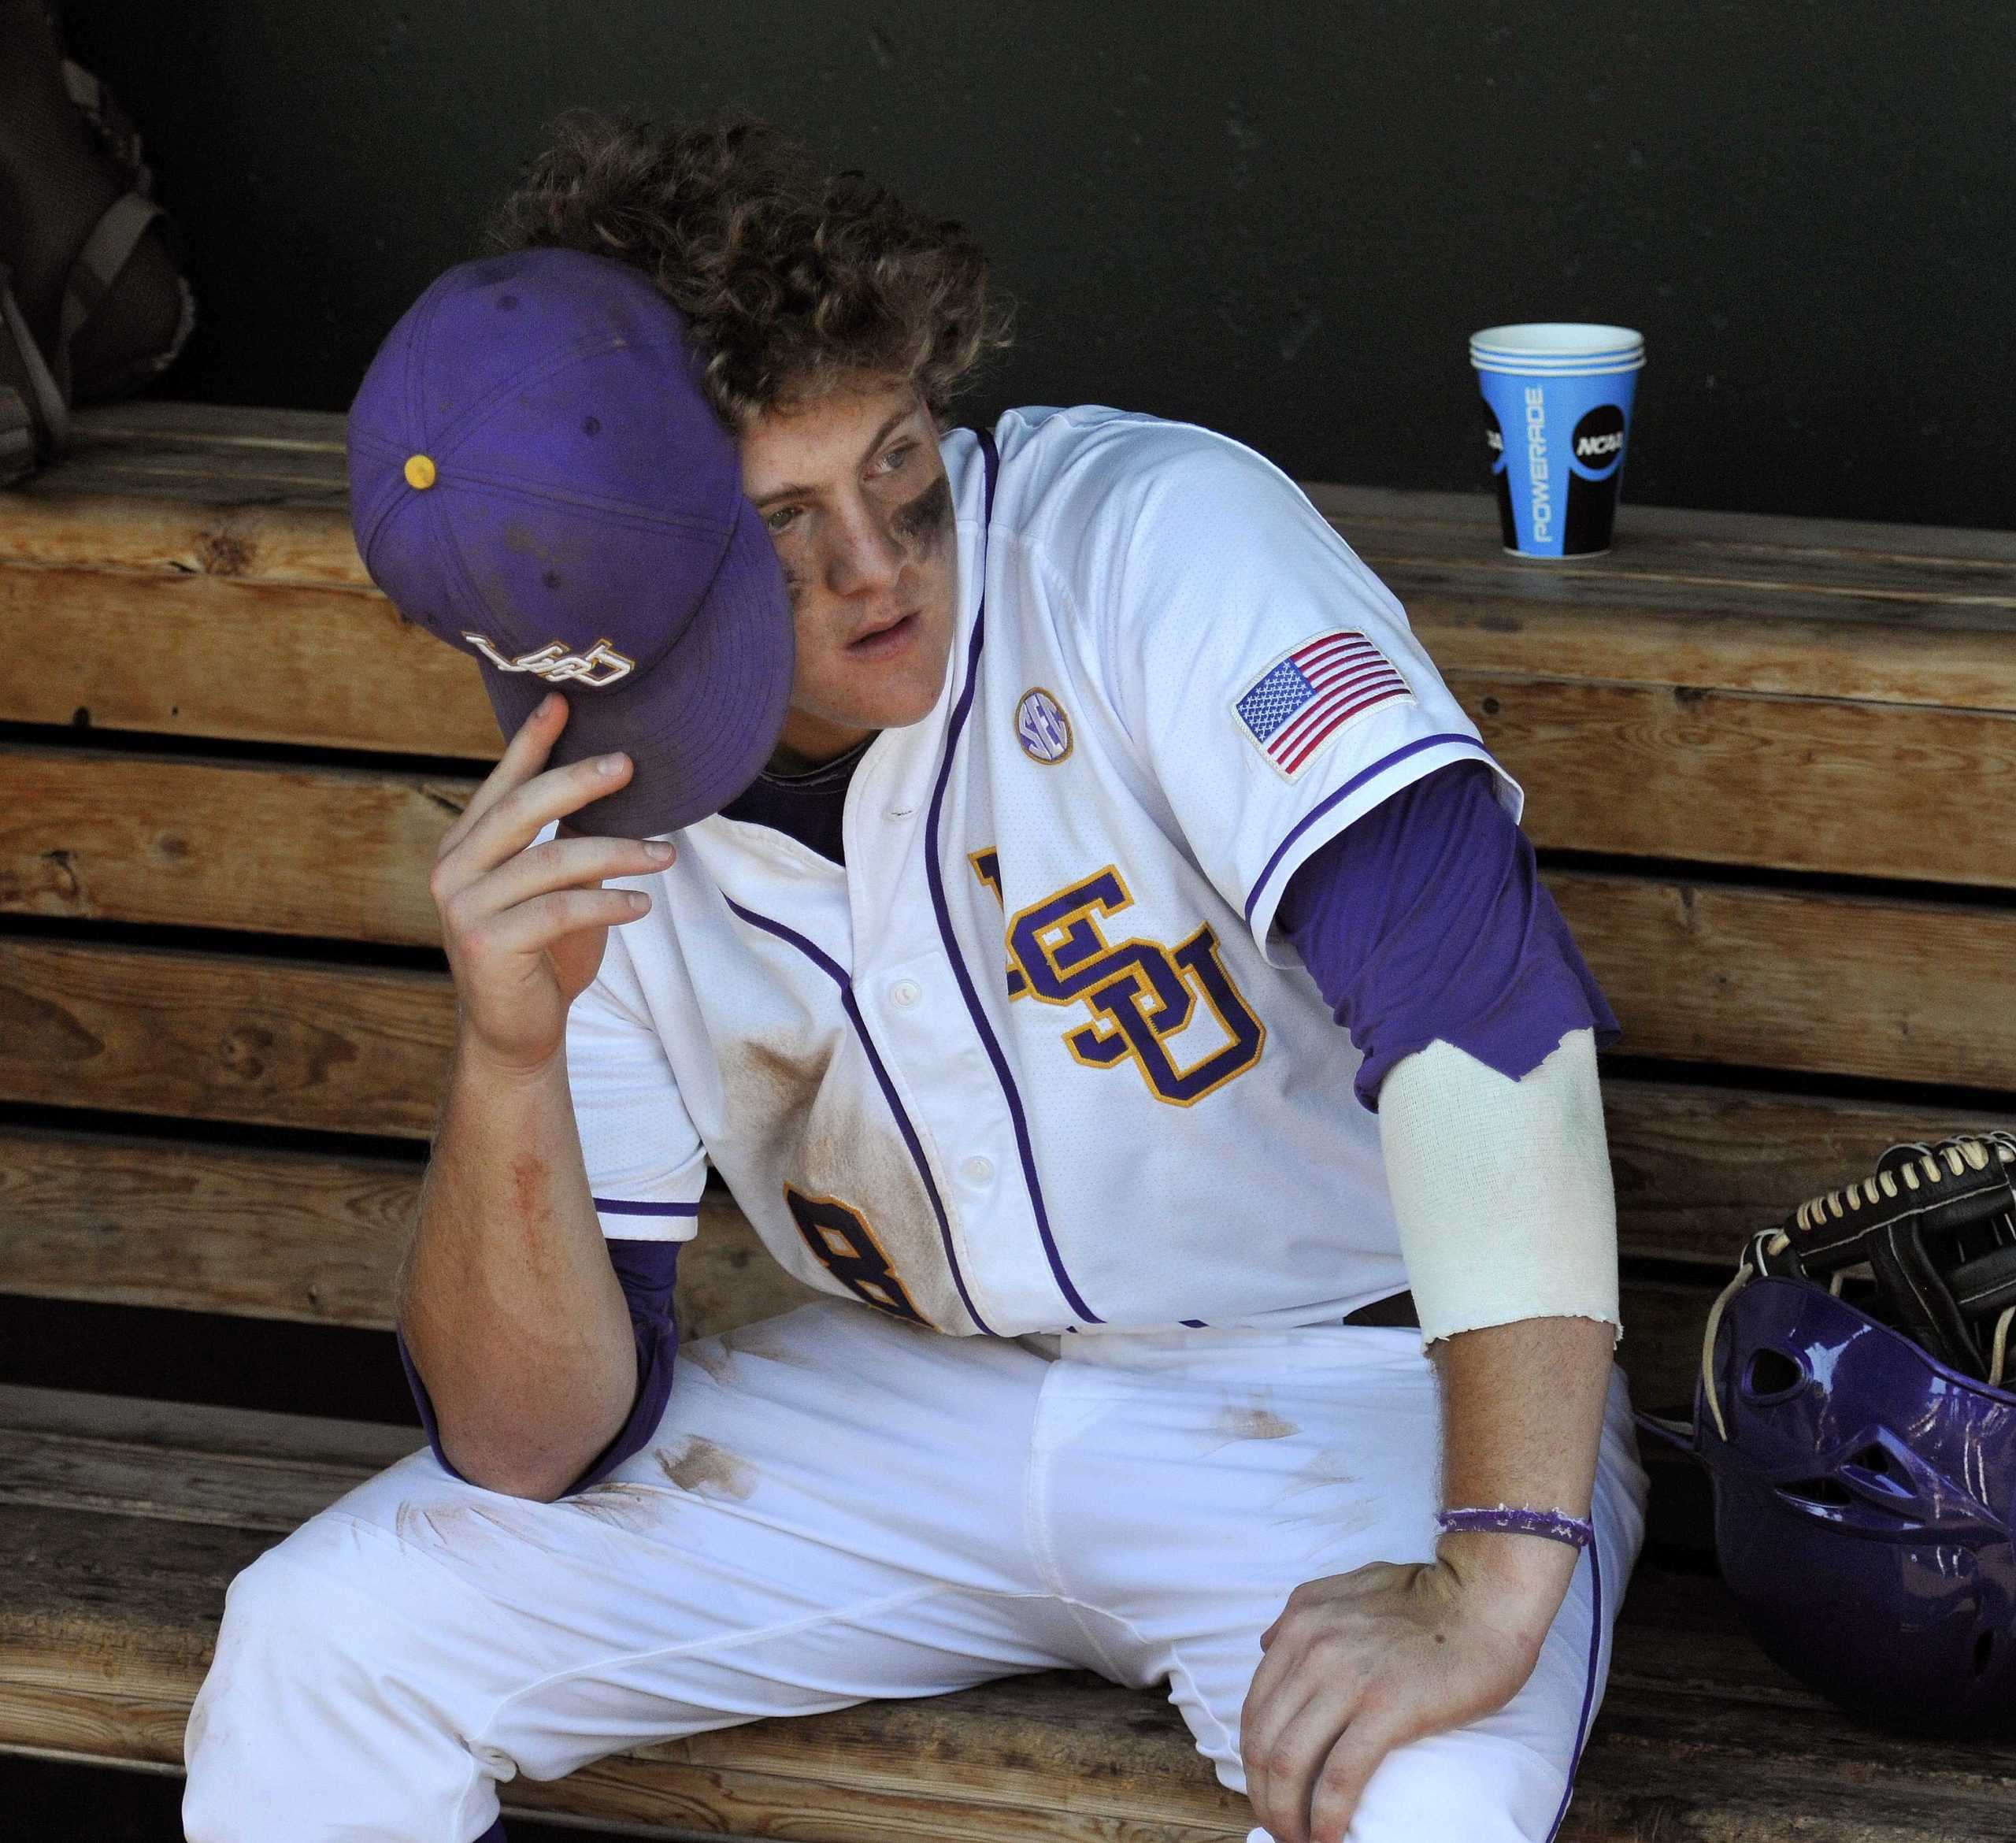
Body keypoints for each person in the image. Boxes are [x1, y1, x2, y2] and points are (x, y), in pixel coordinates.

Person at [183, 109, 1647, 1843]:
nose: (877, 561)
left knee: (1426, 1808)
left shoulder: (1146, 540)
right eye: (783, 522)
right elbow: (531, 1447)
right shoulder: (605, 784)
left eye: (895, 461)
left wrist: (1495, 1573)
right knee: (318, 1647)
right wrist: (508, 1056)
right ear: (644, 574)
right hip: (902, 1406)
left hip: (1351, 1388)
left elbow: (1483, 1012)